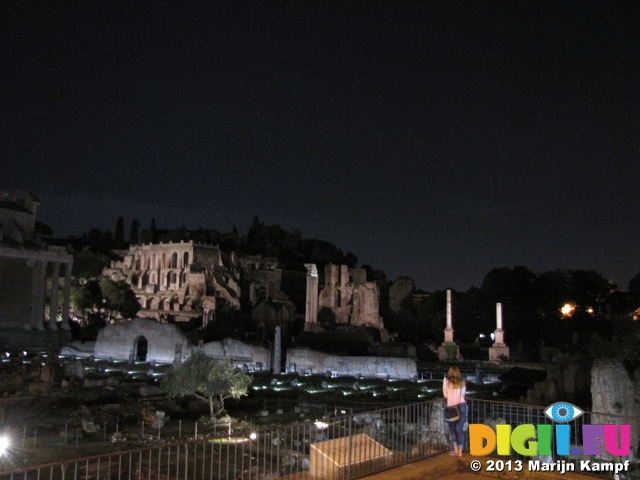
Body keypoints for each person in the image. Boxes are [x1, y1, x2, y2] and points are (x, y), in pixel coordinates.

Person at [442, 365, 467, 456]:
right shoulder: (462, 381)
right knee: (459, 430)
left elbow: (445, 393)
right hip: (462, 406)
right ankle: (460, 451)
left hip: (452, 407)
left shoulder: (447, 381)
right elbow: (463, 393)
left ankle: (455, 449)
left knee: (452, 429)